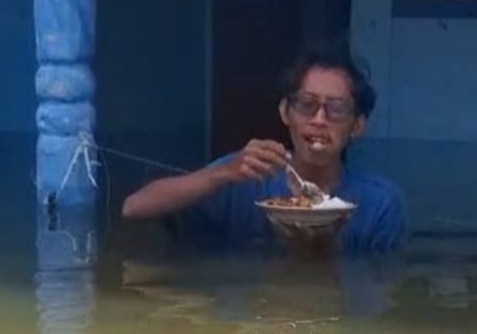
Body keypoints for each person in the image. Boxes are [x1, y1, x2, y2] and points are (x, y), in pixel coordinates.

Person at [121, 43, 406, 255]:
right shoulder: (247, 173)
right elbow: (134, 209)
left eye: (336, 110)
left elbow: (374, 289)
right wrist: (221, 174)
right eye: (306, 105)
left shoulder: (380, 203)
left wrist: (323, 249)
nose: (319, 120)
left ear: (357, 126)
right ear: (285, 112)